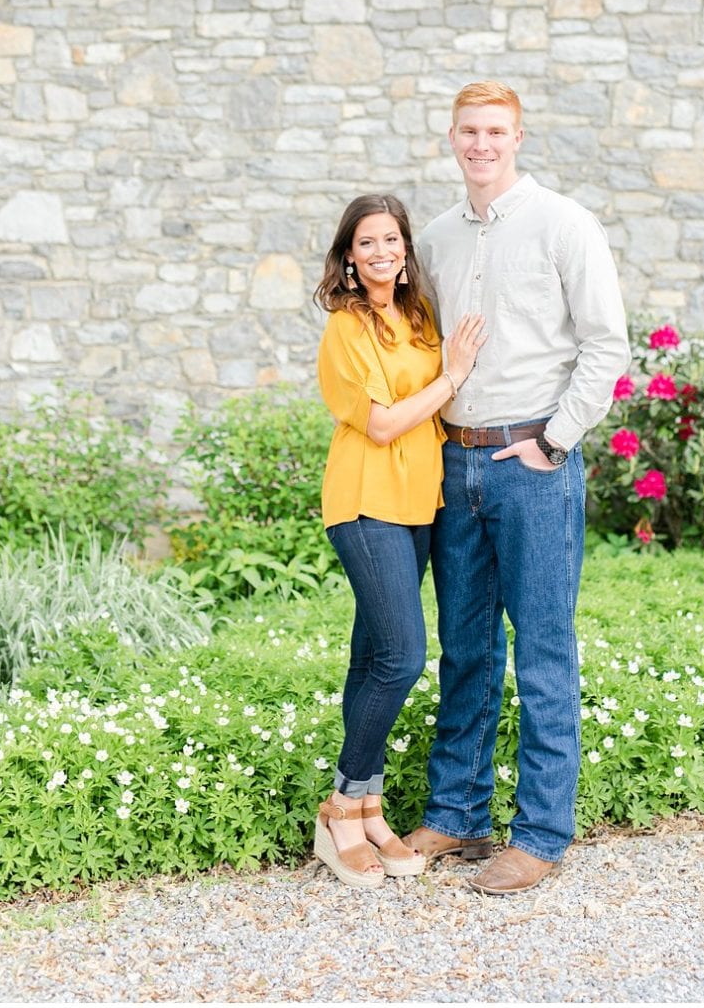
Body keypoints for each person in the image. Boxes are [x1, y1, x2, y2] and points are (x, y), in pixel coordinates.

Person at [403, 80, 629, 896]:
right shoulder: (433, 239)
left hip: (530, 465)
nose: (481, 144)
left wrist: (555, 440)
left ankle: (538, 834)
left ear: (519, 137)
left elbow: (607, 347)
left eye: (496, 130)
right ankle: (458, 813)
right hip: (454, 462)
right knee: (463, 648)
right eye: (469, 130)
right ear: (452, 138)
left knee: (541, 652)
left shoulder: (564, 224)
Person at [312, 194, 486, 889]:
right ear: (349, 257)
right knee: (405, 657)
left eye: (392, 239)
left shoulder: (415, 316)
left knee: (372, 656)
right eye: (367, 242)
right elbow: (382, 424)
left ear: (404, 250)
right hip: (364, 502)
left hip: (419, 505)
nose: (382, 251)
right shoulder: (345, 327)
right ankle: (342, 805)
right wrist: (453, 376)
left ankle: (369, 810)